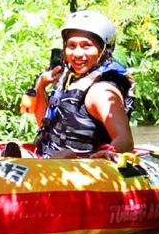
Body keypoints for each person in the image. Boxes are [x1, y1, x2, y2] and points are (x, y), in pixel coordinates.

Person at [30, 10, 135, 161]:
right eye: (71, 46)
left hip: (78, 167)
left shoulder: (101, 91)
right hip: (49, 159)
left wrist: (108, 152)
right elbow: (44, 124)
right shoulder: (68, 79)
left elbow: (125, 140)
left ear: (103, 50)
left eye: (86, 46)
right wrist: (40, 87)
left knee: (64, 156)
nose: (77, 54)